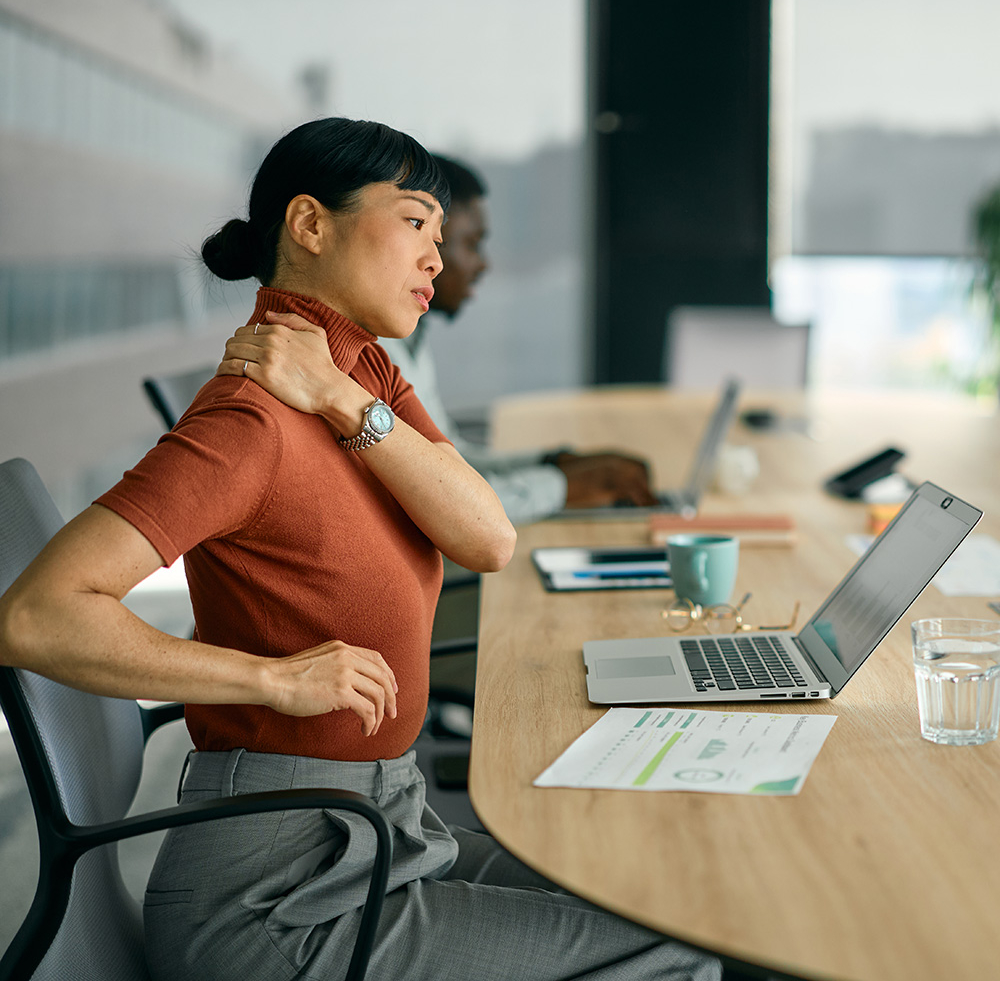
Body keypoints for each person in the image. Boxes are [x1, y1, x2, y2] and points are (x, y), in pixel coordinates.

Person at [0, 117, 719, 981]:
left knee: (674, 896)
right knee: (675, 952)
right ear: (310, 225)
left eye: (443, 237)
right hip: (278, 899)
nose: (438, 261)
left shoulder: (363, 379)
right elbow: (35, 618)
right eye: (416, 222)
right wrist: (270, 679)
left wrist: (341, 396)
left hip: (391, 834)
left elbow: (486, 537)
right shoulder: (248, 421)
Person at [379, 154, 657, 525]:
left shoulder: (409, 336)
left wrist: (551, 463)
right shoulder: (374, 351)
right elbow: (442, 500)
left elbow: (449, 459)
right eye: (472, 243)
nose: (484, 265)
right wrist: (561, 485)